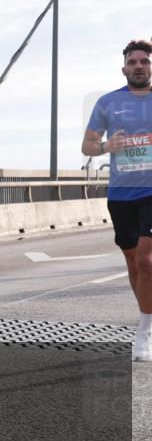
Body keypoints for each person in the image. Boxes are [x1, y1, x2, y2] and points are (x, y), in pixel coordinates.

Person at [82, 38, 152, 361]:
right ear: (124, 68)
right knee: (133, 264)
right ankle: (146, 314)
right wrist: (107, 148)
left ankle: (144, 332)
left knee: (146, 260)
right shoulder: (108, 103)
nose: (139, 66)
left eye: (145, 61)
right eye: (133, 62)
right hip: (121, 194)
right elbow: (88, 146)